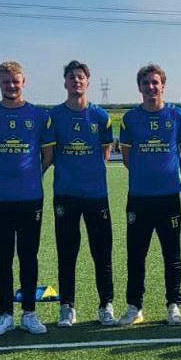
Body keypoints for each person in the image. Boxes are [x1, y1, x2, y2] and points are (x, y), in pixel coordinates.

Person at [0, 61, 55, 336]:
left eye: (15, 81)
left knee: (28, 256)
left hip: (30, 197)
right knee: (1, 258)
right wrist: (1, 177)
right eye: (6, 81)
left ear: (23, 82)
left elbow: (47, 156)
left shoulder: (39, 115)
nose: (11, 86)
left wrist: (30, 177)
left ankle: (29, 313)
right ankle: (4, 314)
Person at [118, 64, 181, 326]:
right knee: (136, 254)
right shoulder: (130, 119)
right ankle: (134, 306)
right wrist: (147, 176)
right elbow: (127, 158)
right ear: (139, 87)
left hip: (168, 197)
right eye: (146, 83)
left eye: (155, 82)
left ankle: (173, 305)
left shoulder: (177, 115)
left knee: (171, 253)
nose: (151, 87)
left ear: (163, 85)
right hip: (139, 198)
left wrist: (168, 176)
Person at [48, 60, 118, 327]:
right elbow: (50, 154)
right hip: (65, 194)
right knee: (67, 253)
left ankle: (106, 304)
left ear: (87, 82)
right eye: (71, 77)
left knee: (102, 253)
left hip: (96, 195)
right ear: (65, 82)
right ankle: (67, 307)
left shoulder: (100, 116)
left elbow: (105, 152)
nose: (76, 81)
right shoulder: (55, 116)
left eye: (80, 77)